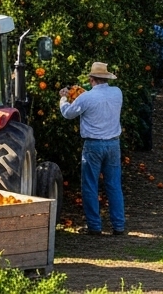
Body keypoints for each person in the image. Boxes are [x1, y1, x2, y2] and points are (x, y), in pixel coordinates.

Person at [59, 61, 125, 236]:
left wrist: (64, 99)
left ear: (91, 79)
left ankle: (95, 226)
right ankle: (118, 226)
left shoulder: (86, 98)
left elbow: (68, 114)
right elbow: (100, 101)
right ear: (106, 78)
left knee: (90, 185)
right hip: (113, 143)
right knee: (114, 185)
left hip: (93, 145)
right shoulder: (117, 93)